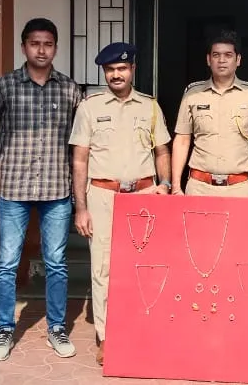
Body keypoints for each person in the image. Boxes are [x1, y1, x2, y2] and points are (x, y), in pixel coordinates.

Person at [0, 18, 84, 361]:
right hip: (14, 189)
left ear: (55, 48)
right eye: (35, 43)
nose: (41, 50)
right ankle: (4, 330)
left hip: (56, 189)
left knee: (56, 262)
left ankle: (57, 327)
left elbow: (80, 140)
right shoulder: (4, 86)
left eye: (48, 44)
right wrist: (5, 155)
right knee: (7, 263)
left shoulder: (69, 89)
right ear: (24, 47)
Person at [69, 42, 172, 366]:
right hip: (103, 196)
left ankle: (141, 331)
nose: (117, 74)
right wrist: (81, 207)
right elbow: (80, 159)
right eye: (111, 69)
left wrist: (165, 185)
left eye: (122, 68)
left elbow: (162, 151)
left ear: (133, 70)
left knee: (144, 266)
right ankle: (108, 336)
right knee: (103, 269)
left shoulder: (150, 106)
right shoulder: (89, 107)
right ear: (105, 72)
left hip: (144, 195)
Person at [170, 29, 248, 198]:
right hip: (198, 187)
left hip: (239, 188)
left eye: (228, 55)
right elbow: (181, 141)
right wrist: (175, 187)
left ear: (238, 60)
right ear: (208, 59)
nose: (222, 60)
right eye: (216, 55)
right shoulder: (193, 94)